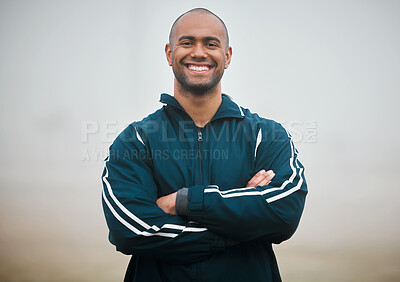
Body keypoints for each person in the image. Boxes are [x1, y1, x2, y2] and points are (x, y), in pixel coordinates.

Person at [102, 7, 307, 282]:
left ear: (227, 55)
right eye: (187, 42)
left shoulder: (266, 136)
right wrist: (240, 223)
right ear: (169, 53)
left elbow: (284, 212)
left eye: (211, 44)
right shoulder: (136, 140)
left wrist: (185, 202)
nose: (199, 52)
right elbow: (131, 231)